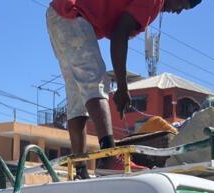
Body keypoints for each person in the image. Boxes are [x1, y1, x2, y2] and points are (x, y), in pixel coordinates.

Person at [46, 0, 202, 178]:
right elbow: (119, 35)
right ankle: (109, 156)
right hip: (71, 14)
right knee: (95, 81)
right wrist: (121, 86)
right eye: (184, 4)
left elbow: (117, 32)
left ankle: (80, 169)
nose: (179, 11)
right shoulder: (153, 2)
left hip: (59, 14)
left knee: (78, 97)